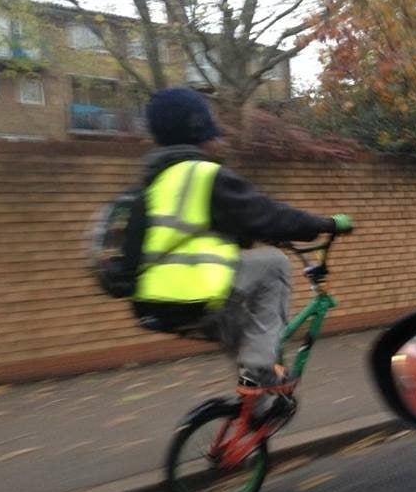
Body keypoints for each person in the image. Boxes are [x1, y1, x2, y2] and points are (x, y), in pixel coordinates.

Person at [123, 87, 352, 422]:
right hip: (191, 292)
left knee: (243, 327)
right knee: (273, 264)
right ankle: (262, 369)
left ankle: (254, 410)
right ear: (197, 128)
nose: (219, 140)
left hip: (156, 304)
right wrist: (326, 223)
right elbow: (267, 215)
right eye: (212, 130)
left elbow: (199, 231)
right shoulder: (203, 175)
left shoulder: (154, 182)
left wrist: (242, 236)